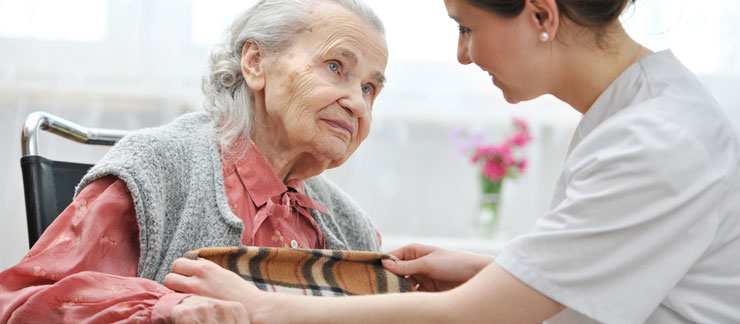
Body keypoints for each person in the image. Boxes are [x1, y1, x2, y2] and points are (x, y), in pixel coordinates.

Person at [163, 0, 740, 323]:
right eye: (336, 68)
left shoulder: (655, 139)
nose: (463, 55)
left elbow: (475, 316)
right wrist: (492, 269)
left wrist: (267, 310)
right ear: (254, 64)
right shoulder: (165, 169)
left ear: (542, 16)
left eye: (467, 28)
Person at [0, 0, 388, 322]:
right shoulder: (157, 171)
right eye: (336, 67)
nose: (357, 103)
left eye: (369, 87)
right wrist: (166, 308)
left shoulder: (351, 226)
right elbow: (17, 302)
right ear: (255, 62)